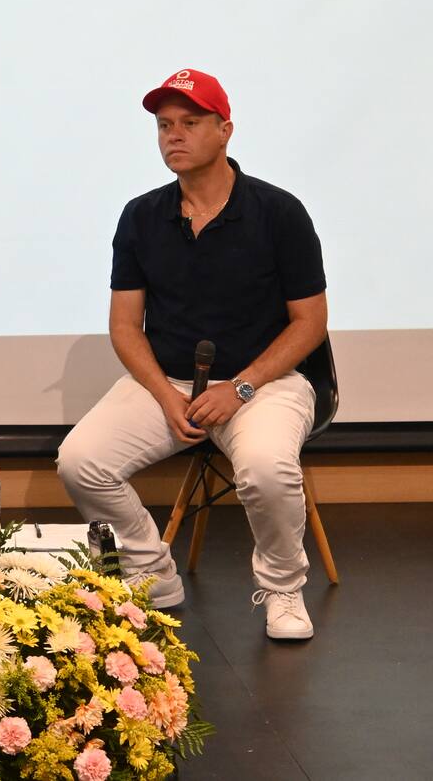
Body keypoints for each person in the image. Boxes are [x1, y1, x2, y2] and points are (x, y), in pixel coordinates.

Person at [57, 68, 328, 640]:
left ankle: (283, 589)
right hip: (172, 382)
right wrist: (163, 393)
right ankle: (151, 572)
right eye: (163, 126)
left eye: (189, 123)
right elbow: (126, 327)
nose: (172, 135)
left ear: (225, 130)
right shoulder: (141, 215)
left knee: (266, 468)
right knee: (81, 460)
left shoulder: (279, 212)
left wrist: (243, 387)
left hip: (267, 384)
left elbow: (310, 324)